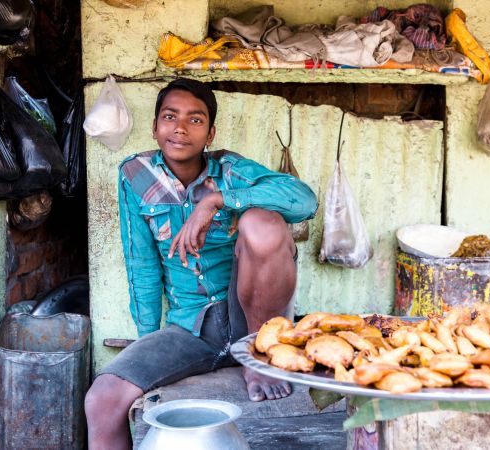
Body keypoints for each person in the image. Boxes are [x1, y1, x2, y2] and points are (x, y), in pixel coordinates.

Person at [84, 78, 318, 450]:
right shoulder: (135, 175)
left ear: (210, 134)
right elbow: (141, 263)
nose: (180, 127)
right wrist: (147, 345)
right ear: (155, 127)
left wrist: (217, 201)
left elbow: (304, 201)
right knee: (101, 400)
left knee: (263, 223)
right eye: (169, 117)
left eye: (195, 120)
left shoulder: (230, 170)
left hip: (250, 318)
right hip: (190, 329)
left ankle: (257, 356)